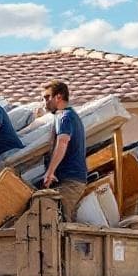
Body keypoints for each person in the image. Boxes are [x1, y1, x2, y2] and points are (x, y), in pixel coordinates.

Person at [41, 80, 88, 217]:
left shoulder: (65, 117)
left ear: (58, 97)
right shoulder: (66, 116)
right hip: (69, 179)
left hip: (71, 180)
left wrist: (50, 172)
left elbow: (62, 143)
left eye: (47, 97)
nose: (45, 102)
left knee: (56, 218)